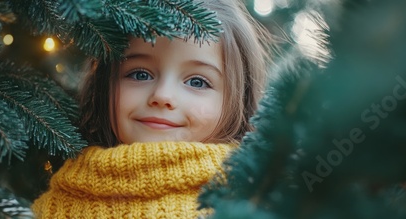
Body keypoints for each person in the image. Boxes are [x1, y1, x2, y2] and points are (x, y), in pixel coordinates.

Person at [31, 0, 271, 218]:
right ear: (105, 84)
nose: (162, 96)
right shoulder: (49, 208)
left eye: (197, 81)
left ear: (238, 100)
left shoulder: (253, 207)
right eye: (140, 74)